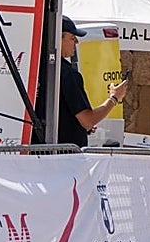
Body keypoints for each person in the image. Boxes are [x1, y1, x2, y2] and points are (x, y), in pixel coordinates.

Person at [51, 16, 127, 148]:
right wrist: (114, 98)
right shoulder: (68, 74)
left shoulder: (39, 68)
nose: (76, 42)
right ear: (58, 38)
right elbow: (87, 120)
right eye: (72, 37)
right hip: (66, 157)